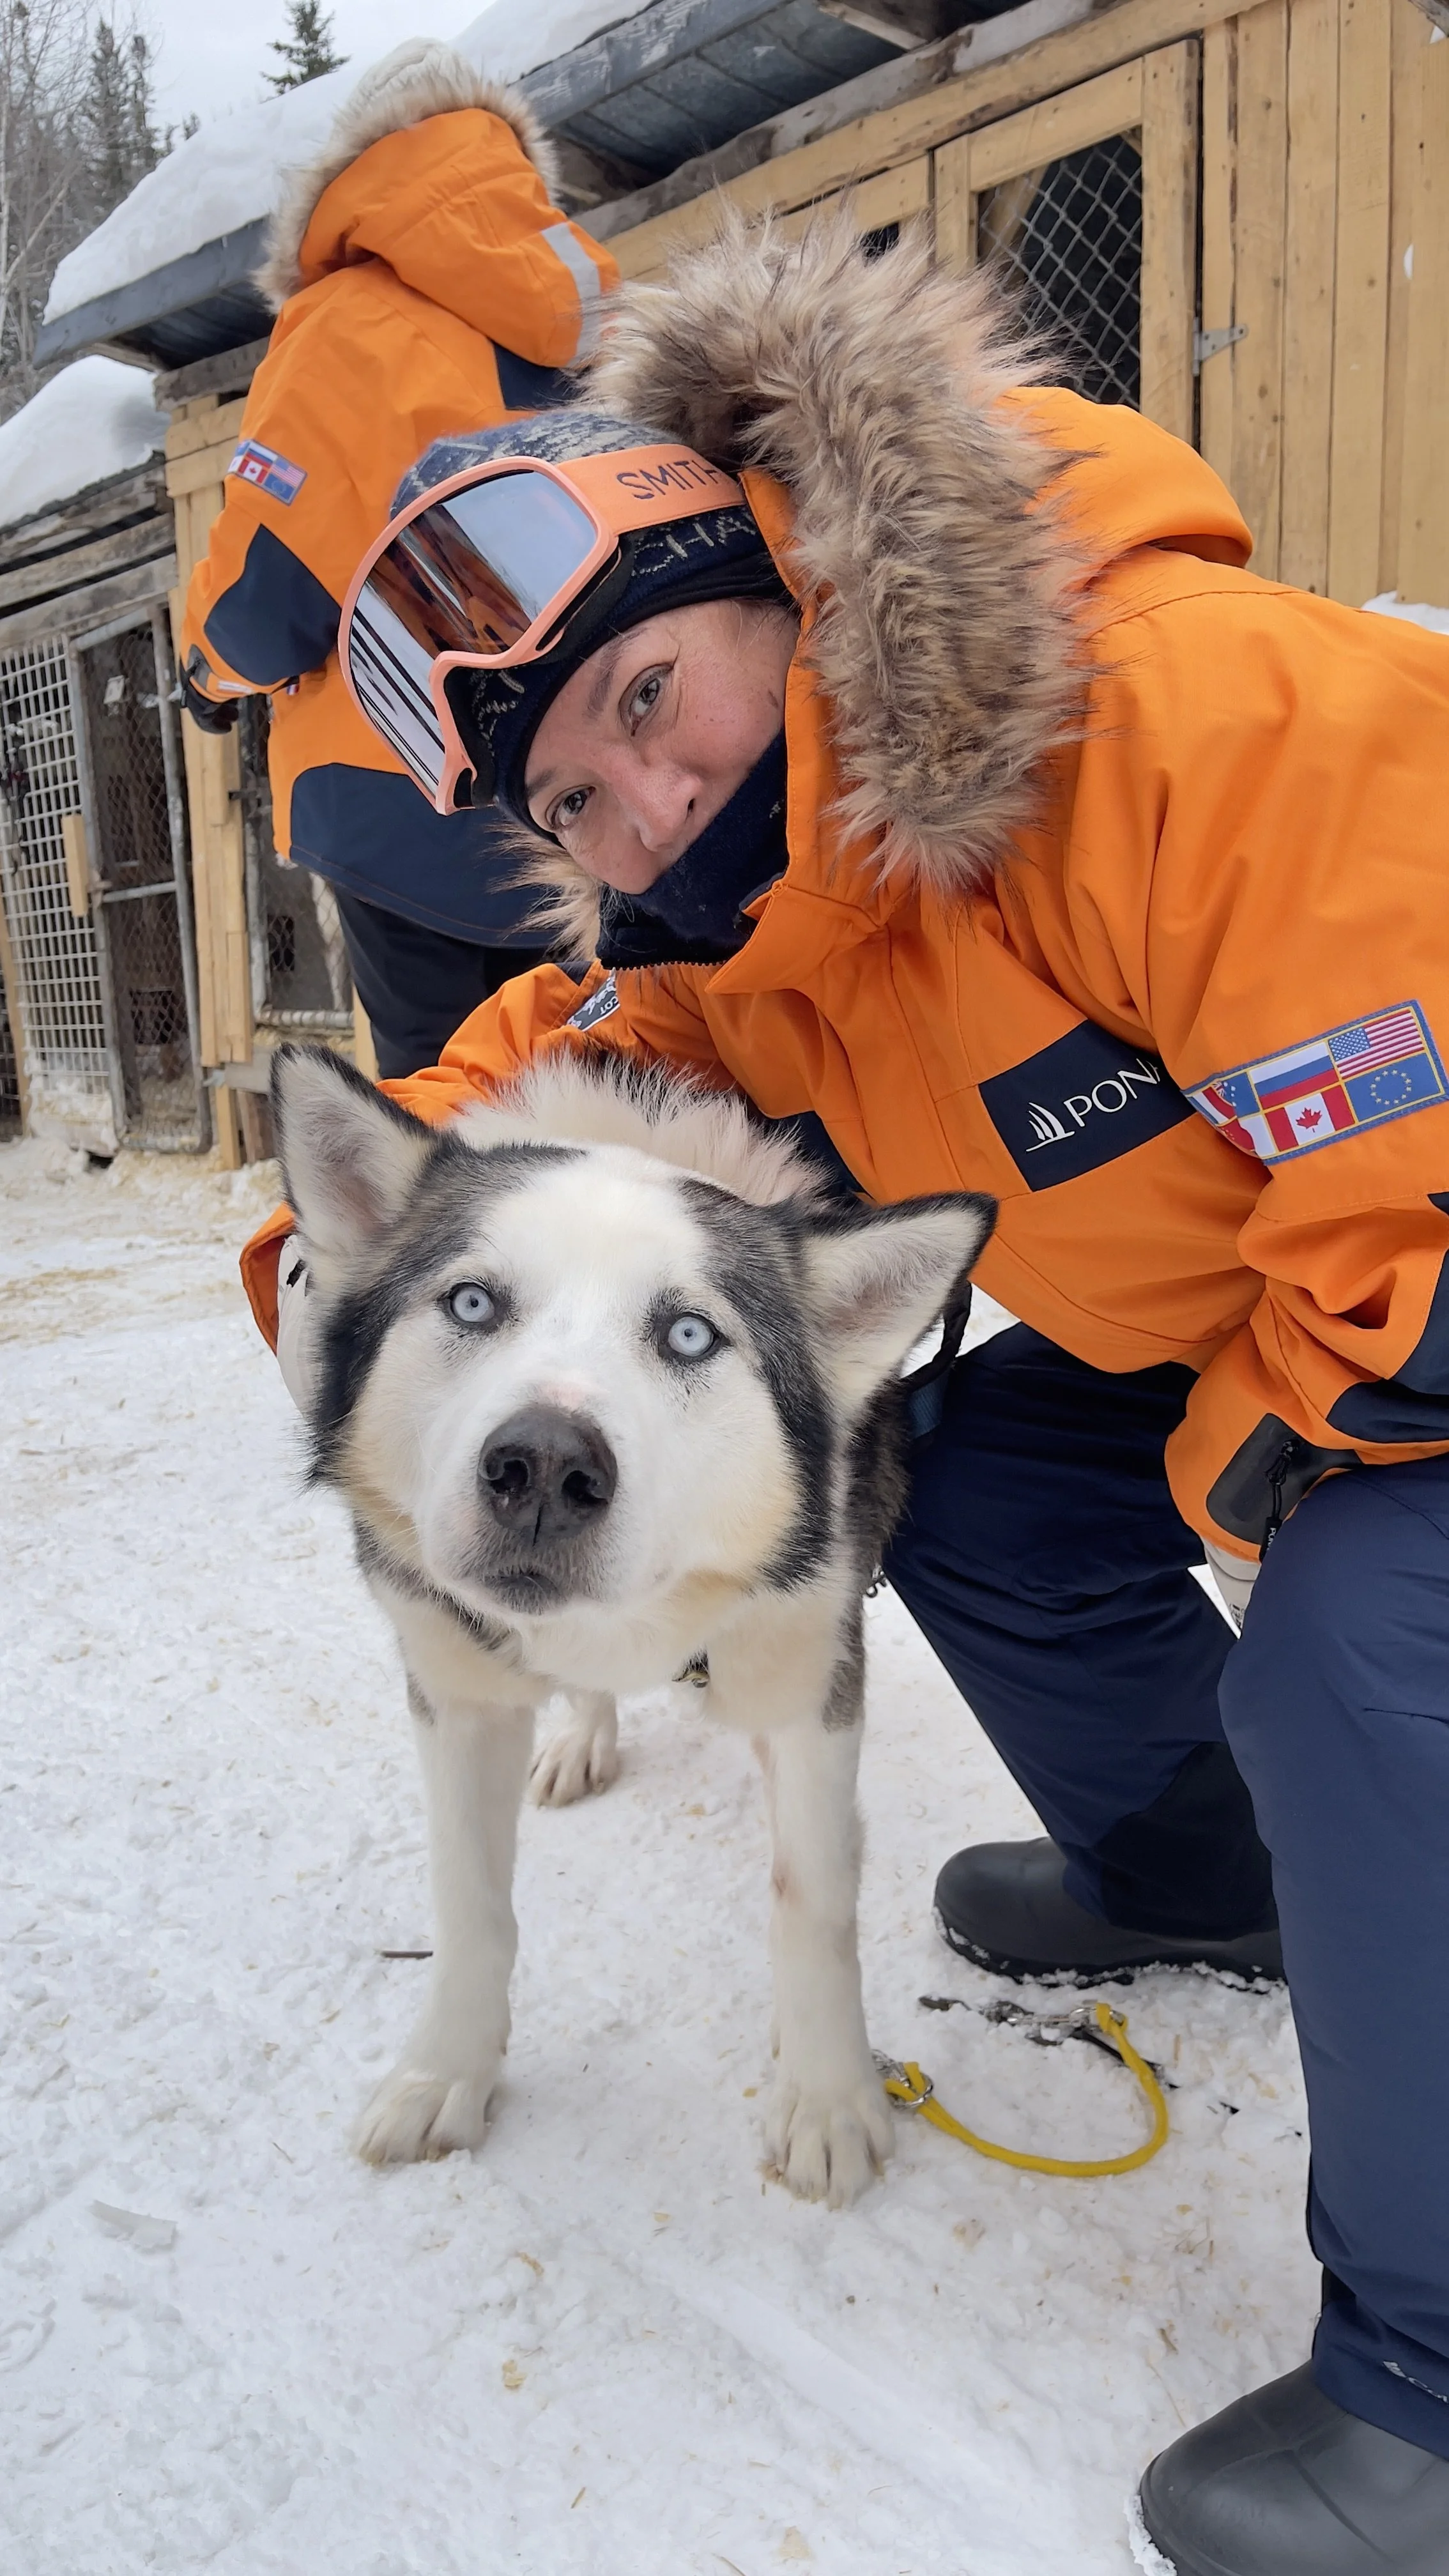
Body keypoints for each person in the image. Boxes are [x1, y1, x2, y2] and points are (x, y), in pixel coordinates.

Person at [242, 215, 1449, 2570]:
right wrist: (338, 1253)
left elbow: (1418, 1177)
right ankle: (1203, 1874)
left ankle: (1420, 2378)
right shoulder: (771, 946)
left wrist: (1259, 1459)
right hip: (1285, 1330)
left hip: (1408, 1310)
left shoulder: (1170, 709)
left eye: (641, 699)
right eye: (569, 803)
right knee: (966, 1490)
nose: (634, 802)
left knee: (1355, 1638)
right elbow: (535, 1068)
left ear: (770, 573)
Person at [179, 38, 618, 1074]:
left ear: (358, 175)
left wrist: (207, 674)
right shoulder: (591, 322)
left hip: (409, 794)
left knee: (450, 1123)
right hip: (599, 791)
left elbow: (272, 591)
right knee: (606, 1085)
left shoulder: (343, 325)